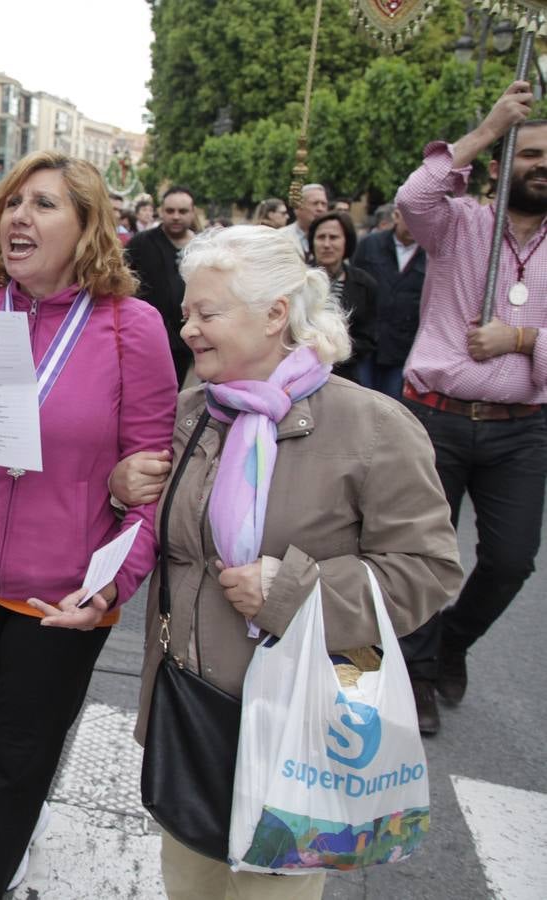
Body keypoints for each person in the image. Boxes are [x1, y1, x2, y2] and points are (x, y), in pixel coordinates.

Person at [110, 224, 461, 899]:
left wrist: (296, 588)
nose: (186, 329)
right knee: (189, 886)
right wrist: (122, 486)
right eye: (186, 311)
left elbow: (428, 571)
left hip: (300, 731)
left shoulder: (373, 428)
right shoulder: (192, 414)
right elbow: (172, 540)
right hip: (193, 714)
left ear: (276, 314)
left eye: (207, 313)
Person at [0, 150, 177, 898]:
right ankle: (12, 829)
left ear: (87, 228)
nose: (18, 216)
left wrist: (113, 589)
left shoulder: (131, 329)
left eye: (43, 204)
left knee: (19, 753)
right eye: (12, 202)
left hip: (62, 593)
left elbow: (152, 483)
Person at [394, 81, 547, 735]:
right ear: (499, 163)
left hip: (521, 427)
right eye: (528, 152)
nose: (541, 166)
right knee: (425, 551)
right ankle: (419, 671)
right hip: (437, 415)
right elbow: (412, 198)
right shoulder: (459, 223)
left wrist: (521, 338)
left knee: (511, 560)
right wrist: (486, 128)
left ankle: (451, 639)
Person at [126, 185, 198, 386]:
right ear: (161, 211)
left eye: (182, 211)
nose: (176, 216)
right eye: (170, 211)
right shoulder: (140, 243)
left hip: (186, 340)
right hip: (144, 339)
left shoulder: (203, 247)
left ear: (193, 212)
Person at [352, 205, 425, 399]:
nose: (414, 227)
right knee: (363, 401)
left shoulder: (430, 254)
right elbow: (354, 284)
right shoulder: (370, 245)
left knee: (391, 405)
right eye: (410, 220)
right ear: (397, 216)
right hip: (367, 344)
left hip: (403, 348)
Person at [308, 211, 377, 386]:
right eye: (321, 237)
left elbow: (368, 337)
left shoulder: (364, 284)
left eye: (334, 237)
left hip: (345, 375)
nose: (326, 244)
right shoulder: (298, 280)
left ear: (347, 241)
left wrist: (336, 348)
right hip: (302, 372)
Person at [285, 183, 328, 257]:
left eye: (324, 204)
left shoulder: (336, 237)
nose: (320, 209)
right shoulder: (281, 237)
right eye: (315, 203)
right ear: (298, 208)